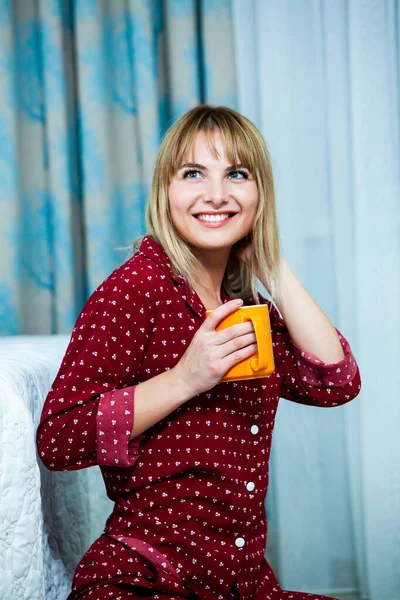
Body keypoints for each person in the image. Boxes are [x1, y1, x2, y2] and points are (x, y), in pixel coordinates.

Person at [36, 105, 361, 600]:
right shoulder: (136, 290)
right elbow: (59, 438)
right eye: (193, 173)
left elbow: (337, 383)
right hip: (146, 579)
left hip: (242, 585)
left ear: (259, 195)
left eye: (236, 174)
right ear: (165, 192)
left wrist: (270, 263)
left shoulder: (244, 306)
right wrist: (184, 379)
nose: (216, 194)